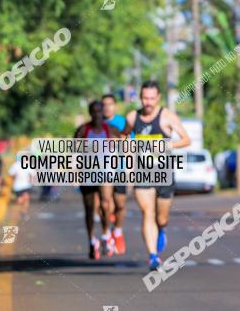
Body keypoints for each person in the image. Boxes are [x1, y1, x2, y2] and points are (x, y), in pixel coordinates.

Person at [123, 81, 190, 271]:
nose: (148, 102)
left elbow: (186, 140)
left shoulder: (167, 117)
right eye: (145, 98)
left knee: (162, 217)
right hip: (142, 172)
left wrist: (170, 145)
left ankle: (162, 229)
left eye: (152, 98)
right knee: (147, 213)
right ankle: (153, 256)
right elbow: (124, 137)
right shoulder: (132, 117)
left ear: (158, 98)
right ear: (140, 97)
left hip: (164, 172)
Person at [74, 100, 122, 260]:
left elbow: (123, 147)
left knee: (106, 202)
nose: (97, 114)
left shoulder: (111, 130)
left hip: (105, 171)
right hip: (88, 171)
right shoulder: (82, 130)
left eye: (100, 111)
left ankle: (105, 233)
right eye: (94, 111)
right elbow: (75, 153)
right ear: (90, 113)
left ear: (103, 112)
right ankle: (91, 240)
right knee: (89, 209)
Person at [102, 93, 129, 254]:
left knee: (120, 205)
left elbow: (129, 145)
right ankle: (107, 237)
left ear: (115, 106)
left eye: (110, 104)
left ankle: (117, 231)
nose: (107, 107)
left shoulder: (122, 122)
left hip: (119, 169)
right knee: (105, 204)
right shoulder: (96, 124)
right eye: (104, 104)